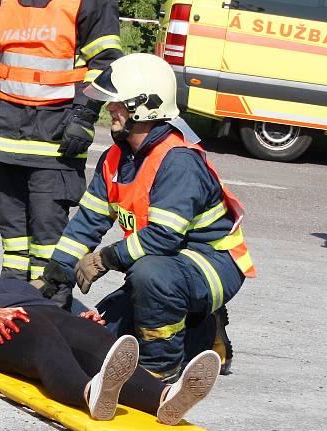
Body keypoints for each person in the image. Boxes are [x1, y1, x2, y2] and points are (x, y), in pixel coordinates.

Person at [37, 53, 256, 380]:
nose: (110, 109)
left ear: (145, 106)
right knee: (104, 337)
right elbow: (88, 223)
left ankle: (160, 371)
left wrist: (102, 260)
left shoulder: (177, 160)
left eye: (118, 104)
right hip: (165, 265)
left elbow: (162, 237)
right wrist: (54, 275)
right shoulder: (115, 158)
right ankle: (205, 331)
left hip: (212, 264)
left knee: (150, 275)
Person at [0, 0, 122, 306]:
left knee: (48, 240)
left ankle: (49, 309)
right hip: (6, 140)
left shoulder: (88, 3)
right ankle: (10, 305)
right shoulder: (4, 3)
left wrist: (84, 116)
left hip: (56, 142)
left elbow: (105, 63)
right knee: (13, 241)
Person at [0, 278, 222, 425]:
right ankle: (89, 392)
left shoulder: (0, 285)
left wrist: (81, 319)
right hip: (4, 325)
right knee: (43, 343)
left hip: (48, 313)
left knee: (95, 340)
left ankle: (165, 397)